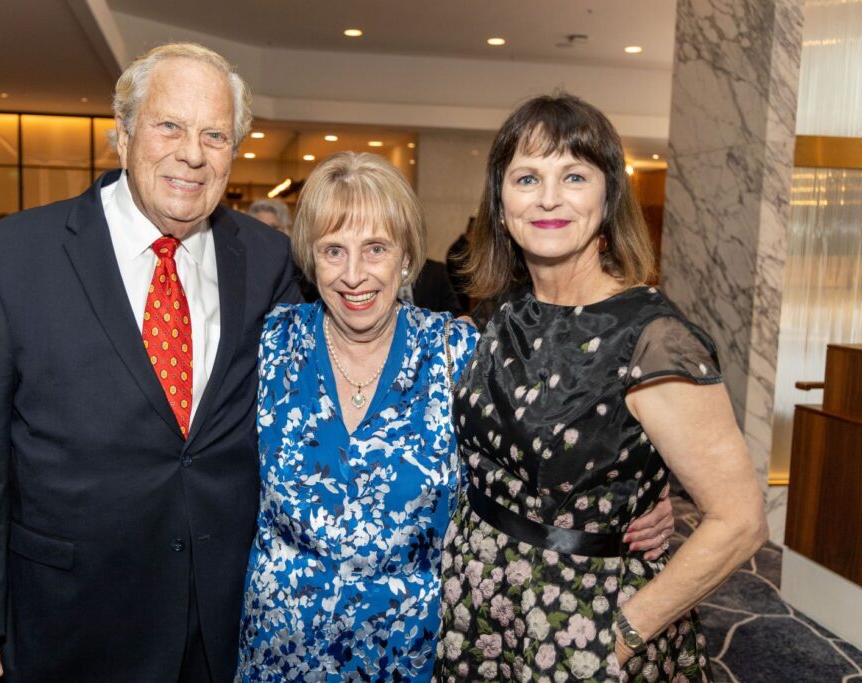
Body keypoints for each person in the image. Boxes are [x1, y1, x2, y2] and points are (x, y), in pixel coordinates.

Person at [0, 43, 300, 682]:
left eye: (215, 134)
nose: (192, 153)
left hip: (224, 617)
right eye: (169, 126)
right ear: (121, 135)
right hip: (71, 616)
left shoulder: (267, 259)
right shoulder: (14, 257)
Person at [436, 94, 767, 682]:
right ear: (500, 200)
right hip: (480, 605)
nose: (548, 197)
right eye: (526, 177)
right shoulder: (503, 312)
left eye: (574, 176)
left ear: (609, 195)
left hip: (584, 621)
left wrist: (618, 639)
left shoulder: (652, 338)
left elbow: (740, 521)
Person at [235, 151, 479, 681]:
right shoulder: (271, 341)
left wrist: (634, 497)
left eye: (375, 249)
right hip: (281, 653)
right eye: (333, 251)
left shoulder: (455, 353)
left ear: (406, 257)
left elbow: (534, 453)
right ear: (310, 258)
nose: (353, 275)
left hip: (408, 654)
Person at [250, 197, 319, 302]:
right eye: (260, 227)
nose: (266, 234)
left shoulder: (302, 270)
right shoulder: (245, 267)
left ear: (286, 230)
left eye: (274, 228)